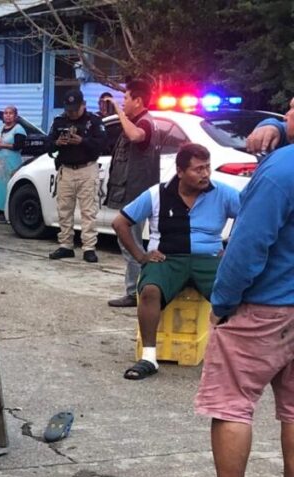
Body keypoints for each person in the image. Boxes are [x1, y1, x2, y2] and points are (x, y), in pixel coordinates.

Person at [171, 98, 294, 477]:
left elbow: (246, 247)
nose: (284, 115)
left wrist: (222, 304)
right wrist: (273, 128)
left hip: (266, 305)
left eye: (291, 109)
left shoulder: (281, 171)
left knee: (232, 403)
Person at [112, 143, 241, 381]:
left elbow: (250, 216)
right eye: (198, 169)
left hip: (208, 257)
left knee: (235, 294)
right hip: (167, 257)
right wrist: (141, 256)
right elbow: (120, 222)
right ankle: (149, 357)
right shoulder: (157, 193)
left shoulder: (222, 192)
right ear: (180, 172)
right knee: (150, 290)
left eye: (207, 167)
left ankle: (232, 358)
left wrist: (231, 247)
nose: (205, 174)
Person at [105, 79, 159, 308]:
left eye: (125, 99)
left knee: (132, 244)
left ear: (138, 101)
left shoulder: (144, 122)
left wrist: (119, 114)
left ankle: (135, 292)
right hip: (132, 190)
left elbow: (136, 136)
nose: (122, 103)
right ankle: (138, 289)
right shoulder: (140, 120)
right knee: (134, 243)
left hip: (136, 191)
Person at [46, 89, 106, 263]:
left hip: (87, 169)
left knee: (88, 211)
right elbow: (47, 144)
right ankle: (65, 245)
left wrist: (82, 141)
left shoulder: (93, 121)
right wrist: (57, 143)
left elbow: (102, 144)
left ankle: (89, 248)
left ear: (83, 105)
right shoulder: (59, 121)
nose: (71, 113)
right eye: (68, 109)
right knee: (64, 210)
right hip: (66, 169)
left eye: (75, 109)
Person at [0, 106, 26, 223]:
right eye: (5, 113)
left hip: (11, 164)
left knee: (8, 187)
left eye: (10, 113)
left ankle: (9, 213)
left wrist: (3, 145)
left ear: (15, 116)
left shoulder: (18, 129)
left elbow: (19, 146)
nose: (7, 115)